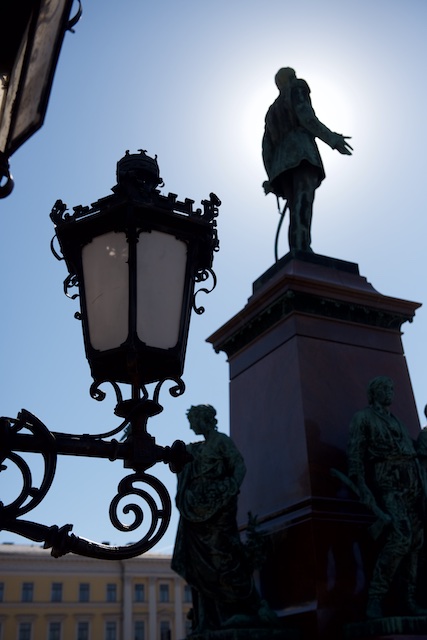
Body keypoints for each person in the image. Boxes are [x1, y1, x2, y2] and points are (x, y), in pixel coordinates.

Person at [172, 405, 273, 633]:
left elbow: (239, 466)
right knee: (199, 563)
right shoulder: (196, 448)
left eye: (193, 420)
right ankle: (209, 618)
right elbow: (175, 457)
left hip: (219, 511)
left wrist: (228, 490)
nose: (191, 425)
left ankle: (242, 607)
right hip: (197, 514)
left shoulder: (221, 441)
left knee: (222, 558)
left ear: (204, 419)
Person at [348, 376, 427, 619]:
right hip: (389, 483)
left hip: (413, 483)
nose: (390, 392)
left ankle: (408, 600)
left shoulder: (398, 421)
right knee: (401, 538)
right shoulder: (363, 418)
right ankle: (376, 597)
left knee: (416, 542)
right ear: (374, 393)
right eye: (385, 388)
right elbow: (355, 456)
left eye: (392, 388)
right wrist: (363, 489)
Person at [262, 67, 352, 253]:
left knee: (294, 208)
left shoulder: (271, 111)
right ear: (290, 78)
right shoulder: (297, 88)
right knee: (303, 203)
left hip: (281, 166)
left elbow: (266, 148)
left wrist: (271, 176)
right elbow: (306, 117)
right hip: (301, 154)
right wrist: (332, 139)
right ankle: (302, 249)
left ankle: (296, 249)